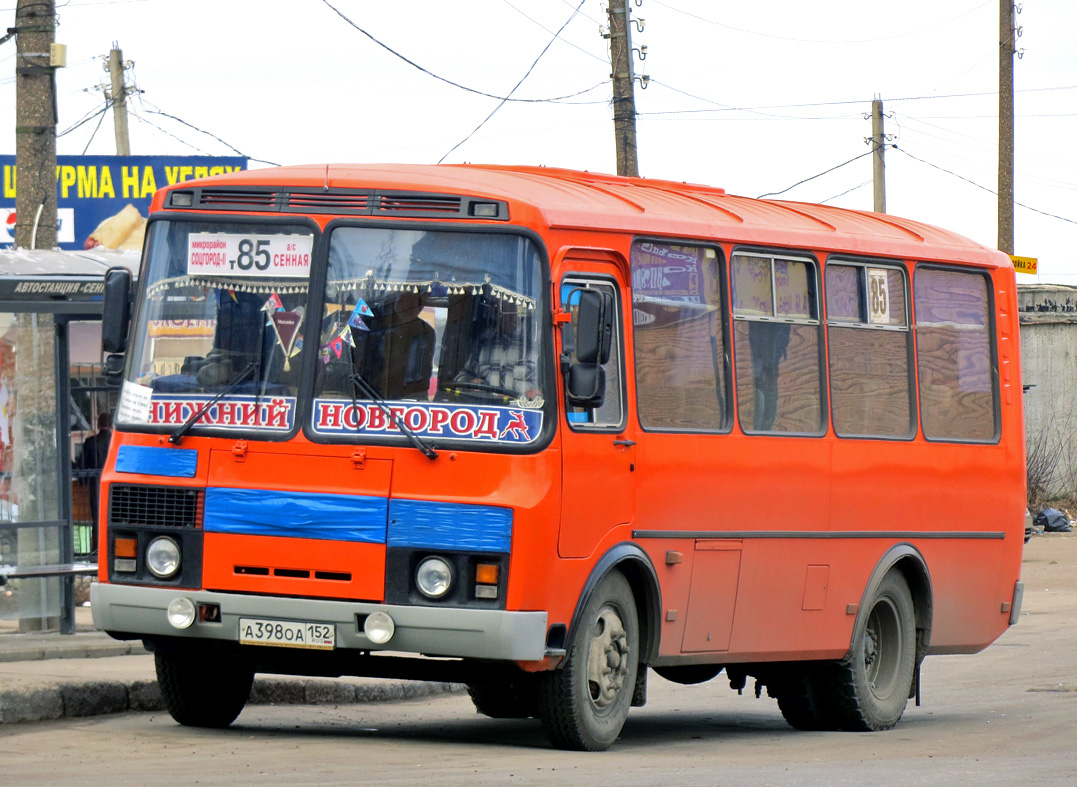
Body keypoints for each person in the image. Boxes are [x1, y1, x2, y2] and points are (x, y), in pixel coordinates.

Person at [76, 412, 112, 552]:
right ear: (111, 425)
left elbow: (82, 466)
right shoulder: (117, 441)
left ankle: (97, 550)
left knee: (97, 518)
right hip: (115, 486)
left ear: (99, 424)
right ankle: (112, 550)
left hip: (96, 485)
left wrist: (83, 480)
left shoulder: (91, 442)